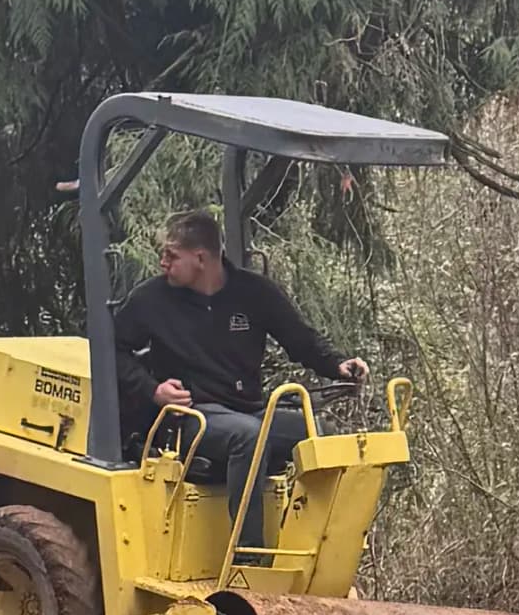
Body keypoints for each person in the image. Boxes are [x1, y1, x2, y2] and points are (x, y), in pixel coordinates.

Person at [110, 204, 357, 492]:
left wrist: (337, 365)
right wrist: (153, 390)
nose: (163, 263)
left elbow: (300, 339)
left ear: (200, 258)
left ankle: (317, 534)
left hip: (249, 410)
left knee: (322, 434)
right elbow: (111, 352)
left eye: (172, 256)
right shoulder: (151, 299)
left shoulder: (254, 293)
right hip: (190, 419)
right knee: (247, 437)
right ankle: (248, 538)